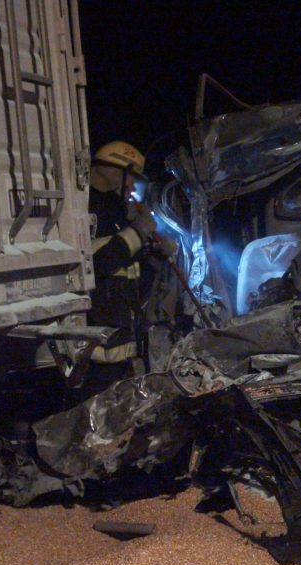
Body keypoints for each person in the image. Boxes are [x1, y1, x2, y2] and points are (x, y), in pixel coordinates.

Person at [85, 141, 174, 395]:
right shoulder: (90, 212)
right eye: (132, 179)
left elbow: (132, 283)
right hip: (96, 349)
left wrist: (154, 258)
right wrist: (137, 232)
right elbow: (97, 266)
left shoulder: (117, 217)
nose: (134, 188)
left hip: (119, 345)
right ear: (116, 172)